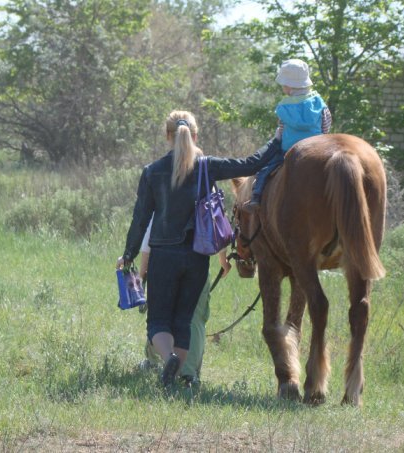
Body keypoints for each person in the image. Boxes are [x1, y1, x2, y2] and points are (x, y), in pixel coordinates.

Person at [116, 110, 281, 388]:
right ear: (195, 135)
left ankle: (167, 357)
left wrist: (129, 253)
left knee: (158, 321)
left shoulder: (152, 172)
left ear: (168, 136)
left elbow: (140, 219)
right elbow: (252, 163)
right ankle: (178, 379)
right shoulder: (208, 166)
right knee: (183, 320)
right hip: (196, 257)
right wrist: (277, 139)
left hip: (163, 257)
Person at [138, 216, 231, 386]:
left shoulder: (165, 192)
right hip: (198, 265)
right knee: (194, 318)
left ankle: (154, 362)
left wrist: (142, 273)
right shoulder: (205, 192)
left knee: (160, 316)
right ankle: (188, 375)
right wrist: (223, 260)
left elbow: (149, 237)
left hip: (164, 262)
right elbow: (219, 223)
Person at [244, 58, 332, 211]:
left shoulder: (285, 107)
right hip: (318, 148)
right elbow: (326, 126)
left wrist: (277, 140)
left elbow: (281, 130)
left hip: (288, 151)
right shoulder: (320, 104)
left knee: (265, 169)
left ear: (289, 87)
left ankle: (256, 197)